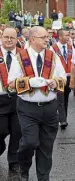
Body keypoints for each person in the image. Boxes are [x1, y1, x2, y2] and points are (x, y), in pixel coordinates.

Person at [8, 26, 66, 181]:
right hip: (28, 108)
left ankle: (43, 177)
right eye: (44, 37)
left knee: (46, 146)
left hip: (49, 108)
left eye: (48, 37)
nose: (47, 39)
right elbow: (11, 84)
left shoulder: (53, 56)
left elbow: (63, 79)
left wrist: (55, 82)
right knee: (29, 142)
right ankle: (24, 167)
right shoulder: (19, 57)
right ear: (32, 39)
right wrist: (29, 82)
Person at [0, 28, 21, 175]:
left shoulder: (23, 55)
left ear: (16, 39)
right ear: (1, 37)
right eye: (6, 37)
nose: (9, 40)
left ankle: (13, 162)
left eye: (12, 38)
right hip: (0, 98)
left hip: (18, 98)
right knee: (1, 130)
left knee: (17, 132)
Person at [51, 29, 74, 130]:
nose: (68, 36)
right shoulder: (53, 48)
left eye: (68, 34)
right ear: (60, 37)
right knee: (60, 98)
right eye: (66, 35)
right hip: (59, 77)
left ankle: (63, 117)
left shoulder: (70, 47)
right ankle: (62, 120)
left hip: (68, 76)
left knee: (65, 98)